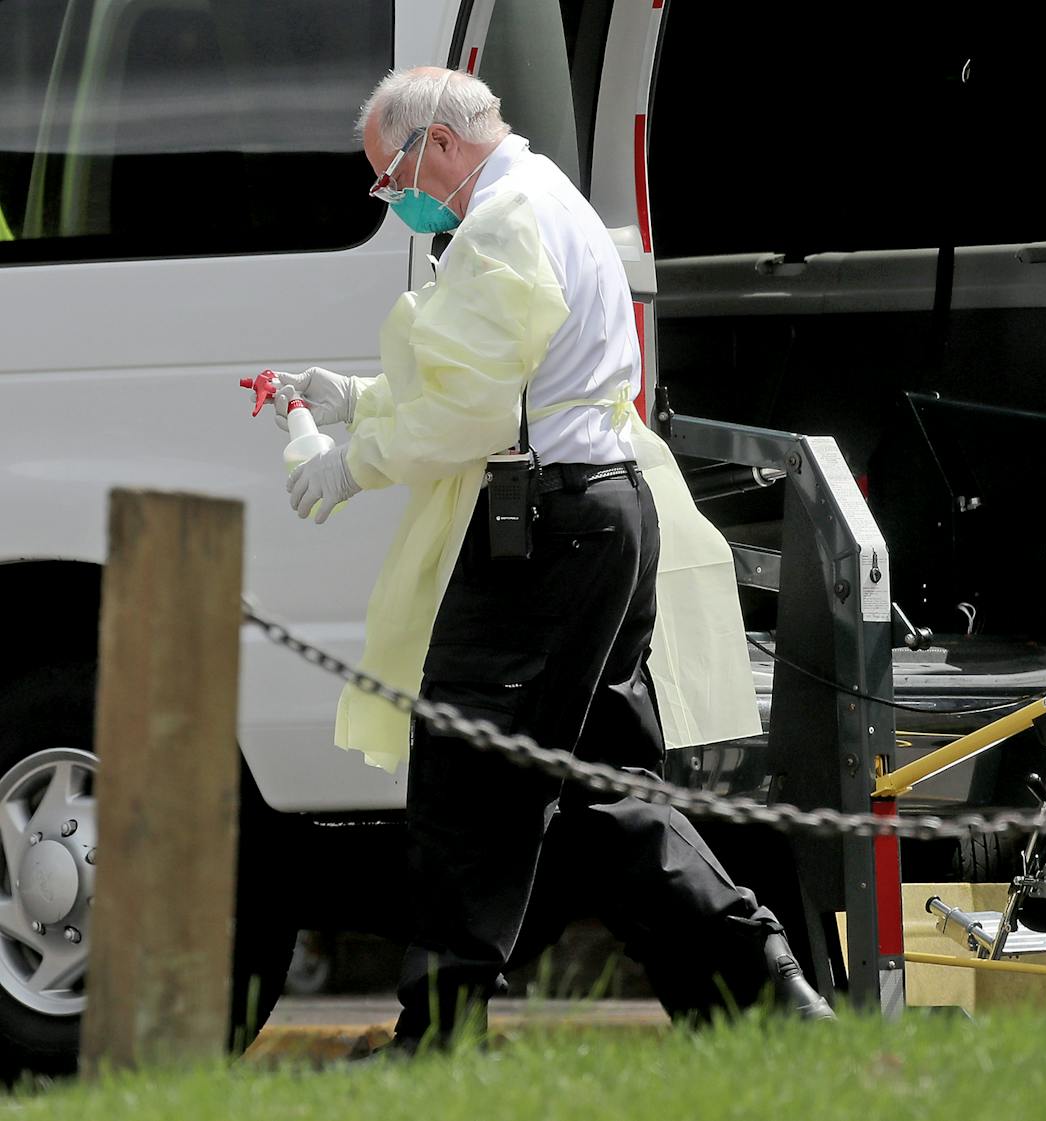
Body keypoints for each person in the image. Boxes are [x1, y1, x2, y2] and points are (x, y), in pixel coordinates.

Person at [264, 66, 833, 1048]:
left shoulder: (494, 226)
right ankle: (763, 995)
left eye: (387, 174)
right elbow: (505, 382)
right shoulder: (549, 201)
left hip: (542, 532)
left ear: (435, 143)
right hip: (606, 511)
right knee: (600, 789)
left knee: (464, 781)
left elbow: (472, 411)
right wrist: (354, 396)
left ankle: (434, 1044)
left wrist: (346, 464)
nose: (388, 197)